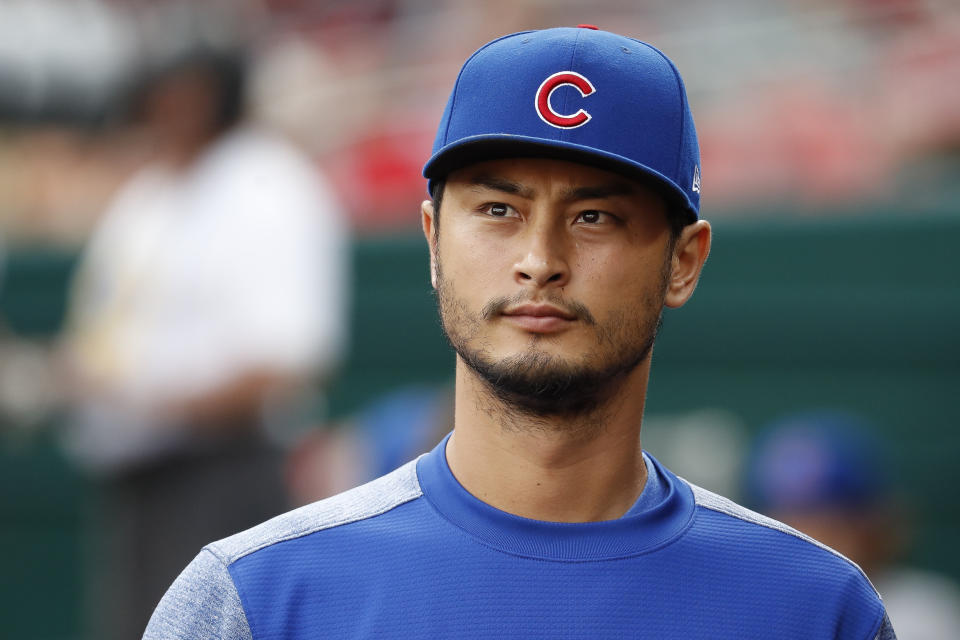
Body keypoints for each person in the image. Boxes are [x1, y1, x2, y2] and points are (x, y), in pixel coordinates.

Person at [145, 26, 895, 639]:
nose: (540, 261)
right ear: (434, 241)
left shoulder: (813, 607)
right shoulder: (261, 599)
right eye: (499, 211)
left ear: (683, 261)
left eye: (594, 216)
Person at [62, 47, 349, 640]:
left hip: (227, 474)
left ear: (217, 92)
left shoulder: (267, 181)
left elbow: (286, 358)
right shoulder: (151, 189)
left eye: (184, 90)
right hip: (137, 480)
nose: (167, 107)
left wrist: (146, 400)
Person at [747, 410, 960, 640]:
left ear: (872, 523)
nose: (805, 536)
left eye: (828, 522)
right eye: (784, 521)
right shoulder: (747, 606)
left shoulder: (922, 613)